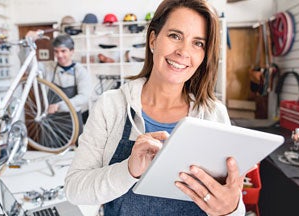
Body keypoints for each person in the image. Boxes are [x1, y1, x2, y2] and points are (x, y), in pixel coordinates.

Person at [64, 0, 246, 215]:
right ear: (153, 39)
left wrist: (231, 209)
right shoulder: (112, 105)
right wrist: (129, 170)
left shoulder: (213, 114)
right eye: (175, 36)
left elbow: (233, 205)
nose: (183, 52)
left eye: (198, 43)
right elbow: (74, 190)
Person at [23, 32, 92, 135]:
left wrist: (59, 106)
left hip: (72, 122)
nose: (59, 55)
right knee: (50, 150)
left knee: (75, 150)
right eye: (56, 51)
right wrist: (27, 42)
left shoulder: (81, 71)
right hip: (51, 123)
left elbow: (84, 97)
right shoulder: (48, 67)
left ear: (72, 51)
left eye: (63, 51)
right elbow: (28, 67)